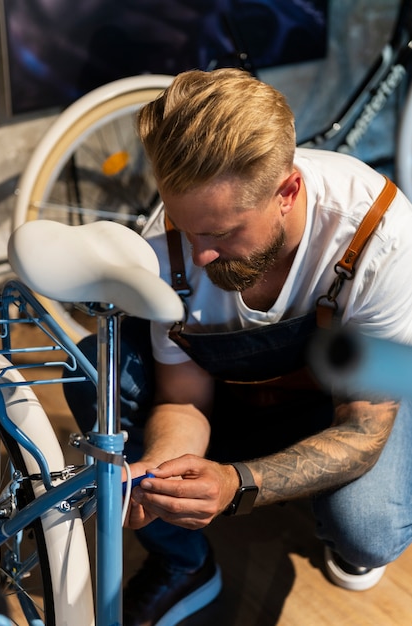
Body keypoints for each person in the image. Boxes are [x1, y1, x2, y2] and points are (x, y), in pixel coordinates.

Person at [64, 68, 412, 626]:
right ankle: (184, 567)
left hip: (350, 402)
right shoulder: (166, 245)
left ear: (288, 191)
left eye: (222, 233)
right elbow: (183, 395)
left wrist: (237, 483)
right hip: (235, 395)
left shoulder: (378, 233)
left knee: (368, 531)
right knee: (90, 368)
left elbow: (362, 429)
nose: (199, 255)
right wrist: (160, 468)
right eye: (186, 227)